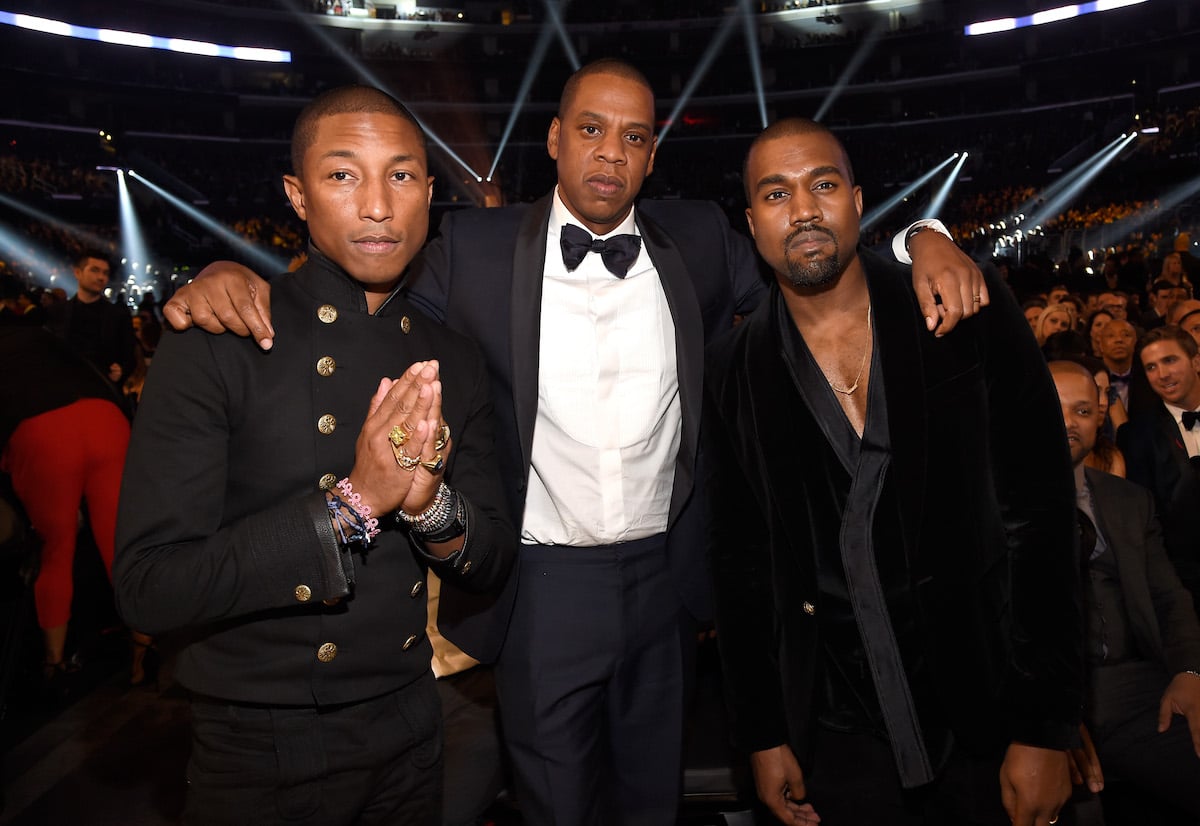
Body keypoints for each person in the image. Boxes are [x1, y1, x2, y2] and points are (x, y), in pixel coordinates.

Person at [160, 60, 986, 825]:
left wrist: (924, 238)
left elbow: (816, 262)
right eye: (590, 129)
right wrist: (231, 276)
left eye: (633, 137)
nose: (610, 154)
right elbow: (358, 287)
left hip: (668, 584)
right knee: (555, 808)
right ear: (554, 139)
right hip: (539, 585)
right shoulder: (476, 250)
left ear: (653, 154)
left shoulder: (698, 239)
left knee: (652, 804)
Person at [113, 86, 515, 825]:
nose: (376, 206)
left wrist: (429, 504)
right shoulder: (222, 335)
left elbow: (489, 560)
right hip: (260, 746)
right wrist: (354, 504)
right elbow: (148, 587)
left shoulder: (452, 360)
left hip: (411, 724)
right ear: (297, 197)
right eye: (342, 175)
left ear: (430, 190)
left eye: (400, 175)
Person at [705, 118, 1082, 825]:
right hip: (839, 735)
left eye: (823, 185)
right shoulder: (731, 370)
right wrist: (762, 733)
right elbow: (742, 567)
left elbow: (1043, 515)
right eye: (777, 193)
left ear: (856, 200)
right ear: (751, 222)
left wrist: (1046, 723)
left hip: (986, 705)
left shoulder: (964, 306)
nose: (806, 209)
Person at [1049, 360, 1200, 818]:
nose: (1070, 424)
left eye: (1082, 412)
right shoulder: (990, 500)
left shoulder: (1129, 501)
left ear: (1100, 418)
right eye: (1056, 410)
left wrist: (1190, 673)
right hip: (1052, 694)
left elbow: (1170, 597)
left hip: (1139, 687)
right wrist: (1047, 721)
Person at [0, 326, 152, 686]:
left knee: (56, 549)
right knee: (120, 546)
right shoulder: (46, 337)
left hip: (42, 432)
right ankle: (143, 655)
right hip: (106, 419)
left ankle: (54, 663)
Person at [1117, 325, 1200, 605]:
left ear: (1196, 361)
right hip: (1185, 586)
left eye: (1170, 360)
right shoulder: (1136, 436)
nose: (1162, 374)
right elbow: (1146, 523)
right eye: (1151, 367)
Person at [48, 250, 137, 391]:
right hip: (64, 390)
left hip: (103, 389)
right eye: (95, 270)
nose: (101, 277)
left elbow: (130, 356)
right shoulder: (57, 312)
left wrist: (121, 370)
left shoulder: (118, 315)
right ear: (78, 273)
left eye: (105, 273)